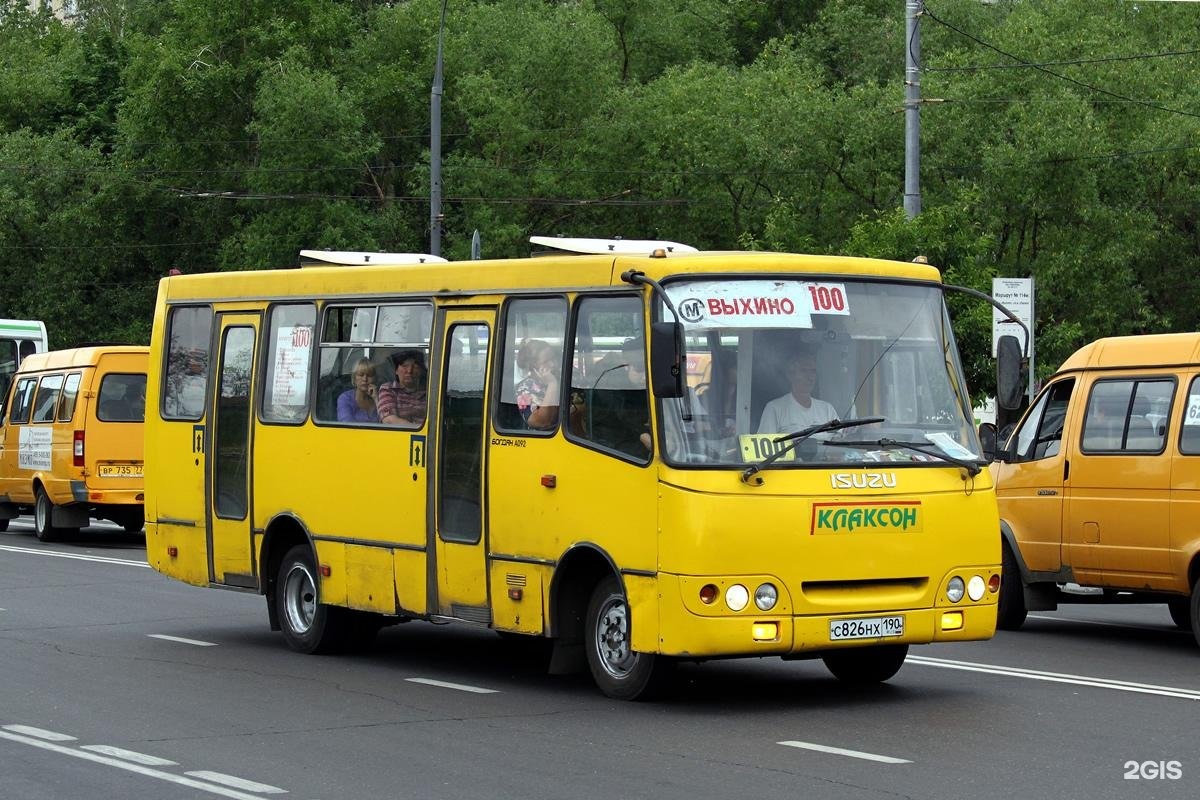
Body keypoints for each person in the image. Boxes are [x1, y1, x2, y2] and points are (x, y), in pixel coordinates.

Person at [756, 349, 837, 434]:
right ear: (790, 375)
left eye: (812, 371)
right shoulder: (774, 408)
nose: (810, 378)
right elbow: (765, 445)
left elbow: (840, 438)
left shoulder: (827, 409)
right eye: (804, 371)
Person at [514, 339, 561, 429]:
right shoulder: (524, 389)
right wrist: (552, 384)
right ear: (533, 366)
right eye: (546, 361)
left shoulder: (561, 378)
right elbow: (541, 422)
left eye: (553, 358)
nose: (552, 364)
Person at [377, 349, 427, 426]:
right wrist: (419, 429)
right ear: (396, 370)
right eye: (404, 366)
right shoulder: (388, 389)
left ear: (420, 371)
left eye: (415, 366)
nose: (409, 371)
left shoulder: (429, 392)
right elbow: (389, 420)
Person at [337, 357, 380, 423]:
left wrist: (376, 399)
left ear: (374, 378)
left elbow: (386, 423)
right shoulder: (345, 398)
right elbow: (346, 425)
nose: (365, 379)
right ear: (354, 378)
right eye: (361, 375)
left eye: (369, 375)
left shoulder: (379, 396)